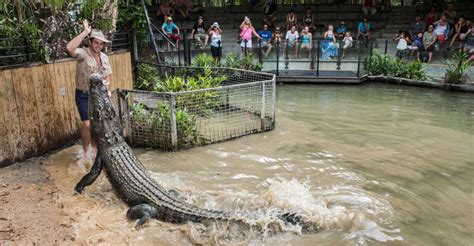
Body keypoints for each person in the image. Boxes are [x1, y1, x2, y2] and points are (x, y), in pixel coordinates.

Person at [66, 20, 112, 164]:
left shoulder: (105, 57)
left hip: (99, 96)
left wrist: (107, 90)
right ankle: (85, 152)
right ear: (90, 42)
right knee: (87, 124)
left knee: (97, 124)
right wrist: (85, 32)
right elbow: (69, 48)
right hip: (83, 95)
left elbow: (108, 77)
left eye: (101, 43)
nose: (99, 45)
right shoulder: (83, 54)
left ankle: (94, 148)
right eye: (96, 42)